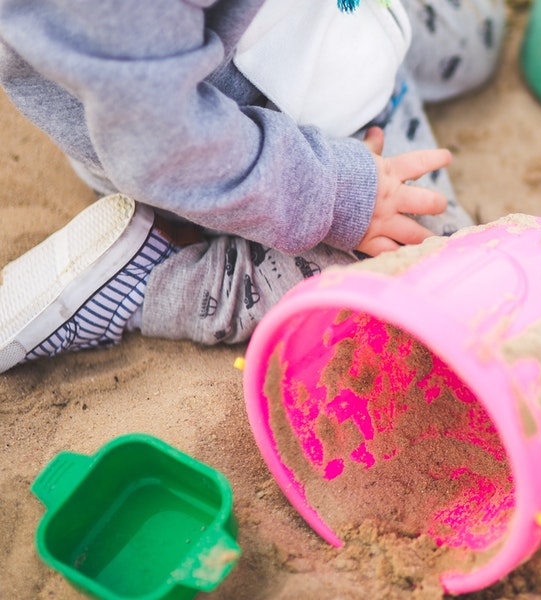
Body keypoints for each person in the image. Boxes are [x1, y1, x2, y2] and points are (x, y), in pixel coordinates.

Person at [0, 0, 506, 373]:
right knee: (438, 278)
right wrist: (337, 196)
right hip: (258, 157)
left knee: (481, 39)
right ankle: (155, 281)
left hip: (343, 28)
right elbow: (165, 143)